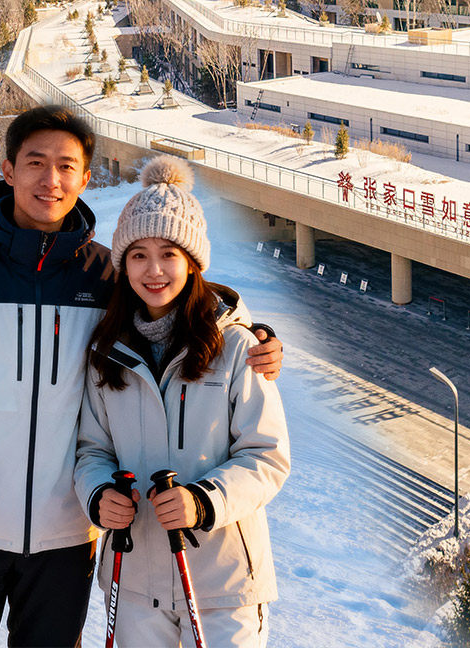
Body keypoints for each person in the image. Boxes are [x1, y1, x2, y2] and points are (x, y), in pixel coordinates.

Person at [0, 105, 283, 648]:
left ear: (86, 177)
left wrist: (253, 332)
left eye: (66, 165)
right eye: (36, 162)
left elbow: (184, 300)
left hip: (68, 535)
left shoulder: (107, 274)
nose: (50, 179)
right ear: (8, 169)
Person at [76, 155, 289, 648]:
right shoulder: (107, 350)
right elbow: (91, 450)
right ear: (122, 263)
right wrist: (98, 495)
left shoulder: (237, 346)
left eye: (169, 253)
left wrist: (203, 501)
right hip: (133, 580)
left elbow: (268, 456)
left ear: (193, 261)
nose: (154, 270)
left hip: (224, 583)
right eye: (138, 255)